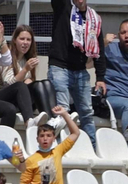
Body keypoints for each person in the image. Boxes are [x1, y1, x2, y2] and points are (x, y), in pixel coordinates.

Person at [49, 0, 103, 144]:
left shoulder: (94, 18)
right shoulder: (63, 7)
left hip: (80, 70)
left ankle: (92, 148)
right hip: (59, 67)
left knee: (86, 113)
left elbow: (99, 49)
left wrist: (101, 77)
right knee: (63, 111)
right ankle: (61, 149)